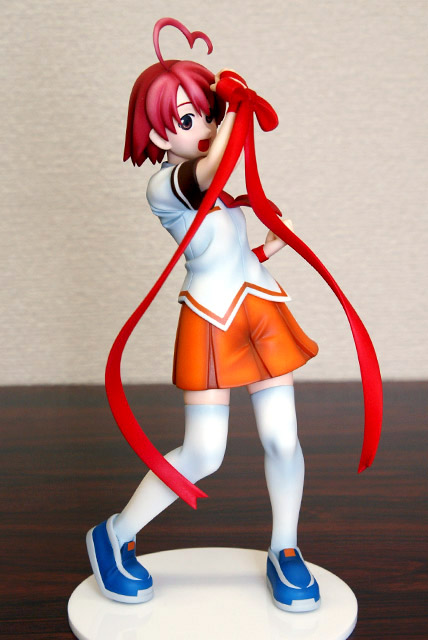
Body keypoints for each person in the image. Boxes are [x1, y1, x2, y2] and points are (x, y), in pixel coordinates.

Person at [86, 17, 382, 613]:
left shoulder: (216, 191)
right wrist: (235, 108)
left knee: (283, 439)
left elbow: (225, 252)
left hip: (259, 311)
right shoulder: (169, 186)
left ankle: (284, 548)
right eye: (187, 119)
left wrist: (269, 249)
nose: (203, 128)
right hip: (211, 323)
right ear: (157, 132)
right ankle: (113, 535)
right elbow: (213, 166)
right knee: (205, 453)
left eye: (206, 114)